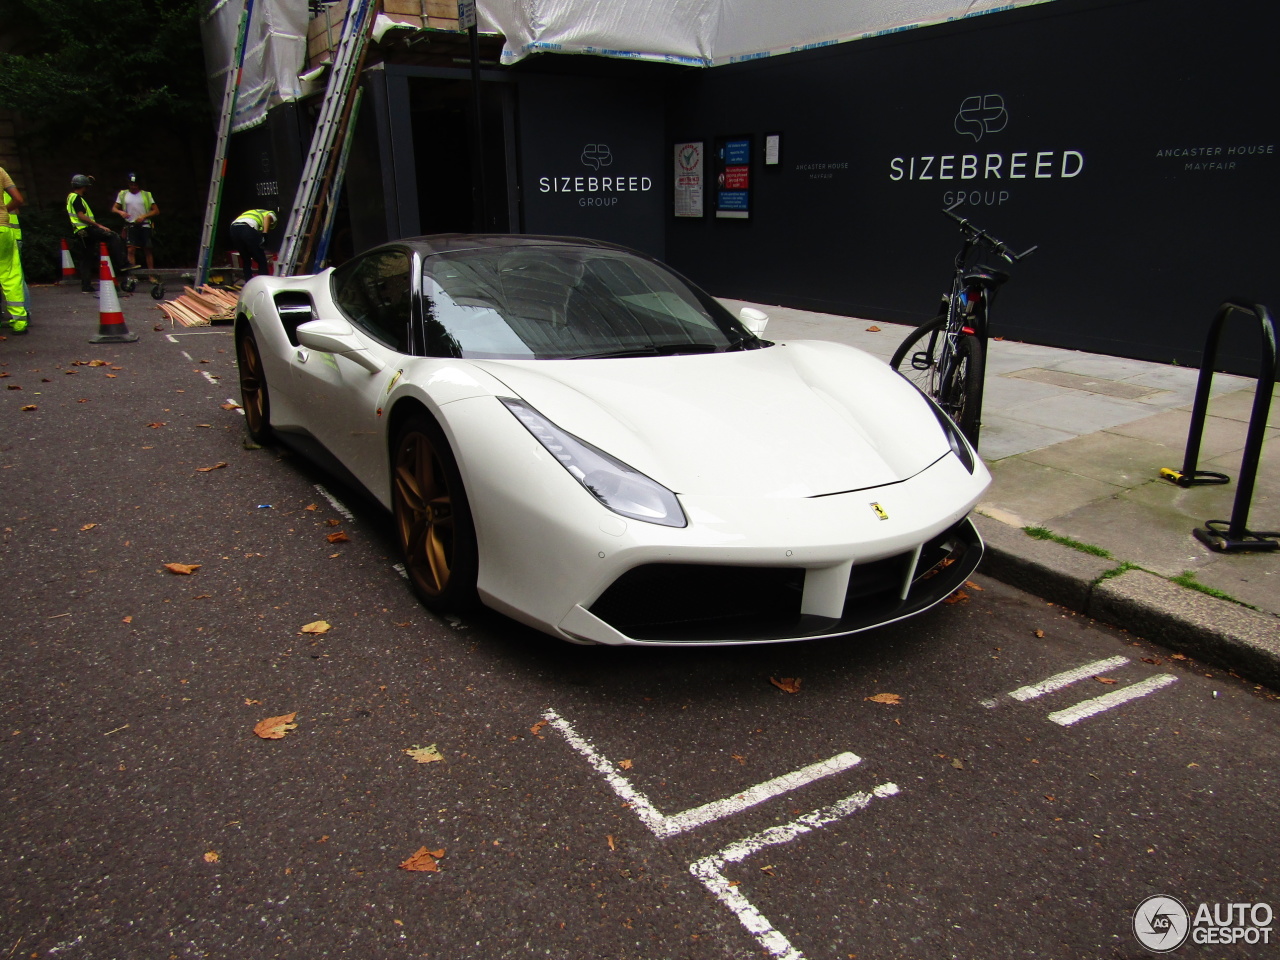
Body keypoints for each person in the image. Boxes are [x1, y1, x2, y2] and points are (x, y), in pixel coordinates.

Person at [66, 174, 129, 292]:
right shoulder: (76, 198)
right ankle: (123, 264)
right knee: (113, 236)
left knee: (86, 258)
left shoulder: (71, 197)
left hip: (80, 232)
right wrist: (99, 225)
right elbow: (81, 215)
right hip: (85, 229)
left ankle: (86, 286)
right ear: (83, 186)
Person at [0, 169, 28, 334]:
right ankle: (19, 322)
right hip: (3, 229)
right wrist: (4, 211)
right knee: (10, 276)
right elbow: (18, 199)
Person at [112, 174, 159, 270]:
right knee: (131, 249)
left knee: (148, 249)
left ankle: (151, 273)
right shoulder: (123, 194)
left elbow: (156, 210)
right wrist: (120, 212)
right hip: (131, 225)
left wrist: (144, 216)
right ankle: (133, 275)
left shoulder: (146, 195)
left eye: (135, 185)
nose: (133, 187)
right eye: (131, 184)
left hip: (145, 225)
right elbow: (114, 208)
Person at [230, 208, 277, 282]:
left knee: (246, 259)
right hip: (247, 227)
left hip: (234, 228)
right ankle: (264, 283)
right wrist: (265, 234)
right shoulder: (271, 213)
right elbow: (267, 218)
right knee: (261, 260)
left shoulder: (251, 213)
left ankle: (248, 282)